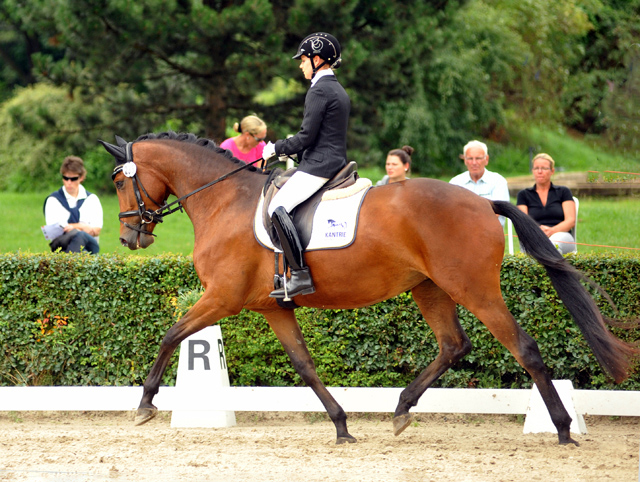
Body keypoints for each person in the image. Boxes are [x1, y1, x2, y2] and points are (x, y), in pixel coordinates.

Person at [261, 32, 349, 299]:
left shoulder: (320, 89)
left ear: (318, 59)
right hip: (330, 159)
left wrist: (276, 148)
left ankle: (299, 275)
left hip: (320, 165)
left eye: (304, 60)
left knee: (277, 207)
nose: (300, 64)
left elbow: (306, 137)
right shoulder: (336, 88)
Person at [516, 153, 576, 254]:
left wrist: (552, 231)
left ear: (552, 171)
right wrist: (538, 231)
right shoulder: (524, 195)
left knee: (553, 245)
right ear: (533, 171)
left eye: (544, 168)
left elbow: (570, 221)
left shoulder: (563, 191)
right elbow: (523, 222)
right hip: (533, 235)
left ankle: (553, 270)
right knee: (535, 246)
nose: (539, 172)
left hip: (561, 235)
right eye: (536, 168)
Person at [43, 156, 103, 254]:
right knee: (80, 237)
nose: (69, 183)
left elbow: (96, 230)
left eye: (73, 179)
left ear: (81, 177)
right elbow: (55, 233)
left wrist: (73, 227)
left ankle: (69, 264)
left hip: (90, 245)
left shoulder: (92, 199)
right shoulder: (53, 200)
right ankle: (81, 263)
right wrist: (84, 227)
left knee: (81, 236)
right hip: (62, 245)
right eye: (65, 178)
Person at [449, 140, 510, 225]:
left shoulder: (498, 182)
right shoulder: (455, 182)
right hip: (462, 234)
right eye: (470, 158)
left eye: (478, 158)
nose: (474, 163)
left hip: (490, 234)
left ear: (486, 159)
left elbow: (497, 212)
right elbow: (451, 212)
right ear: (465, 160)